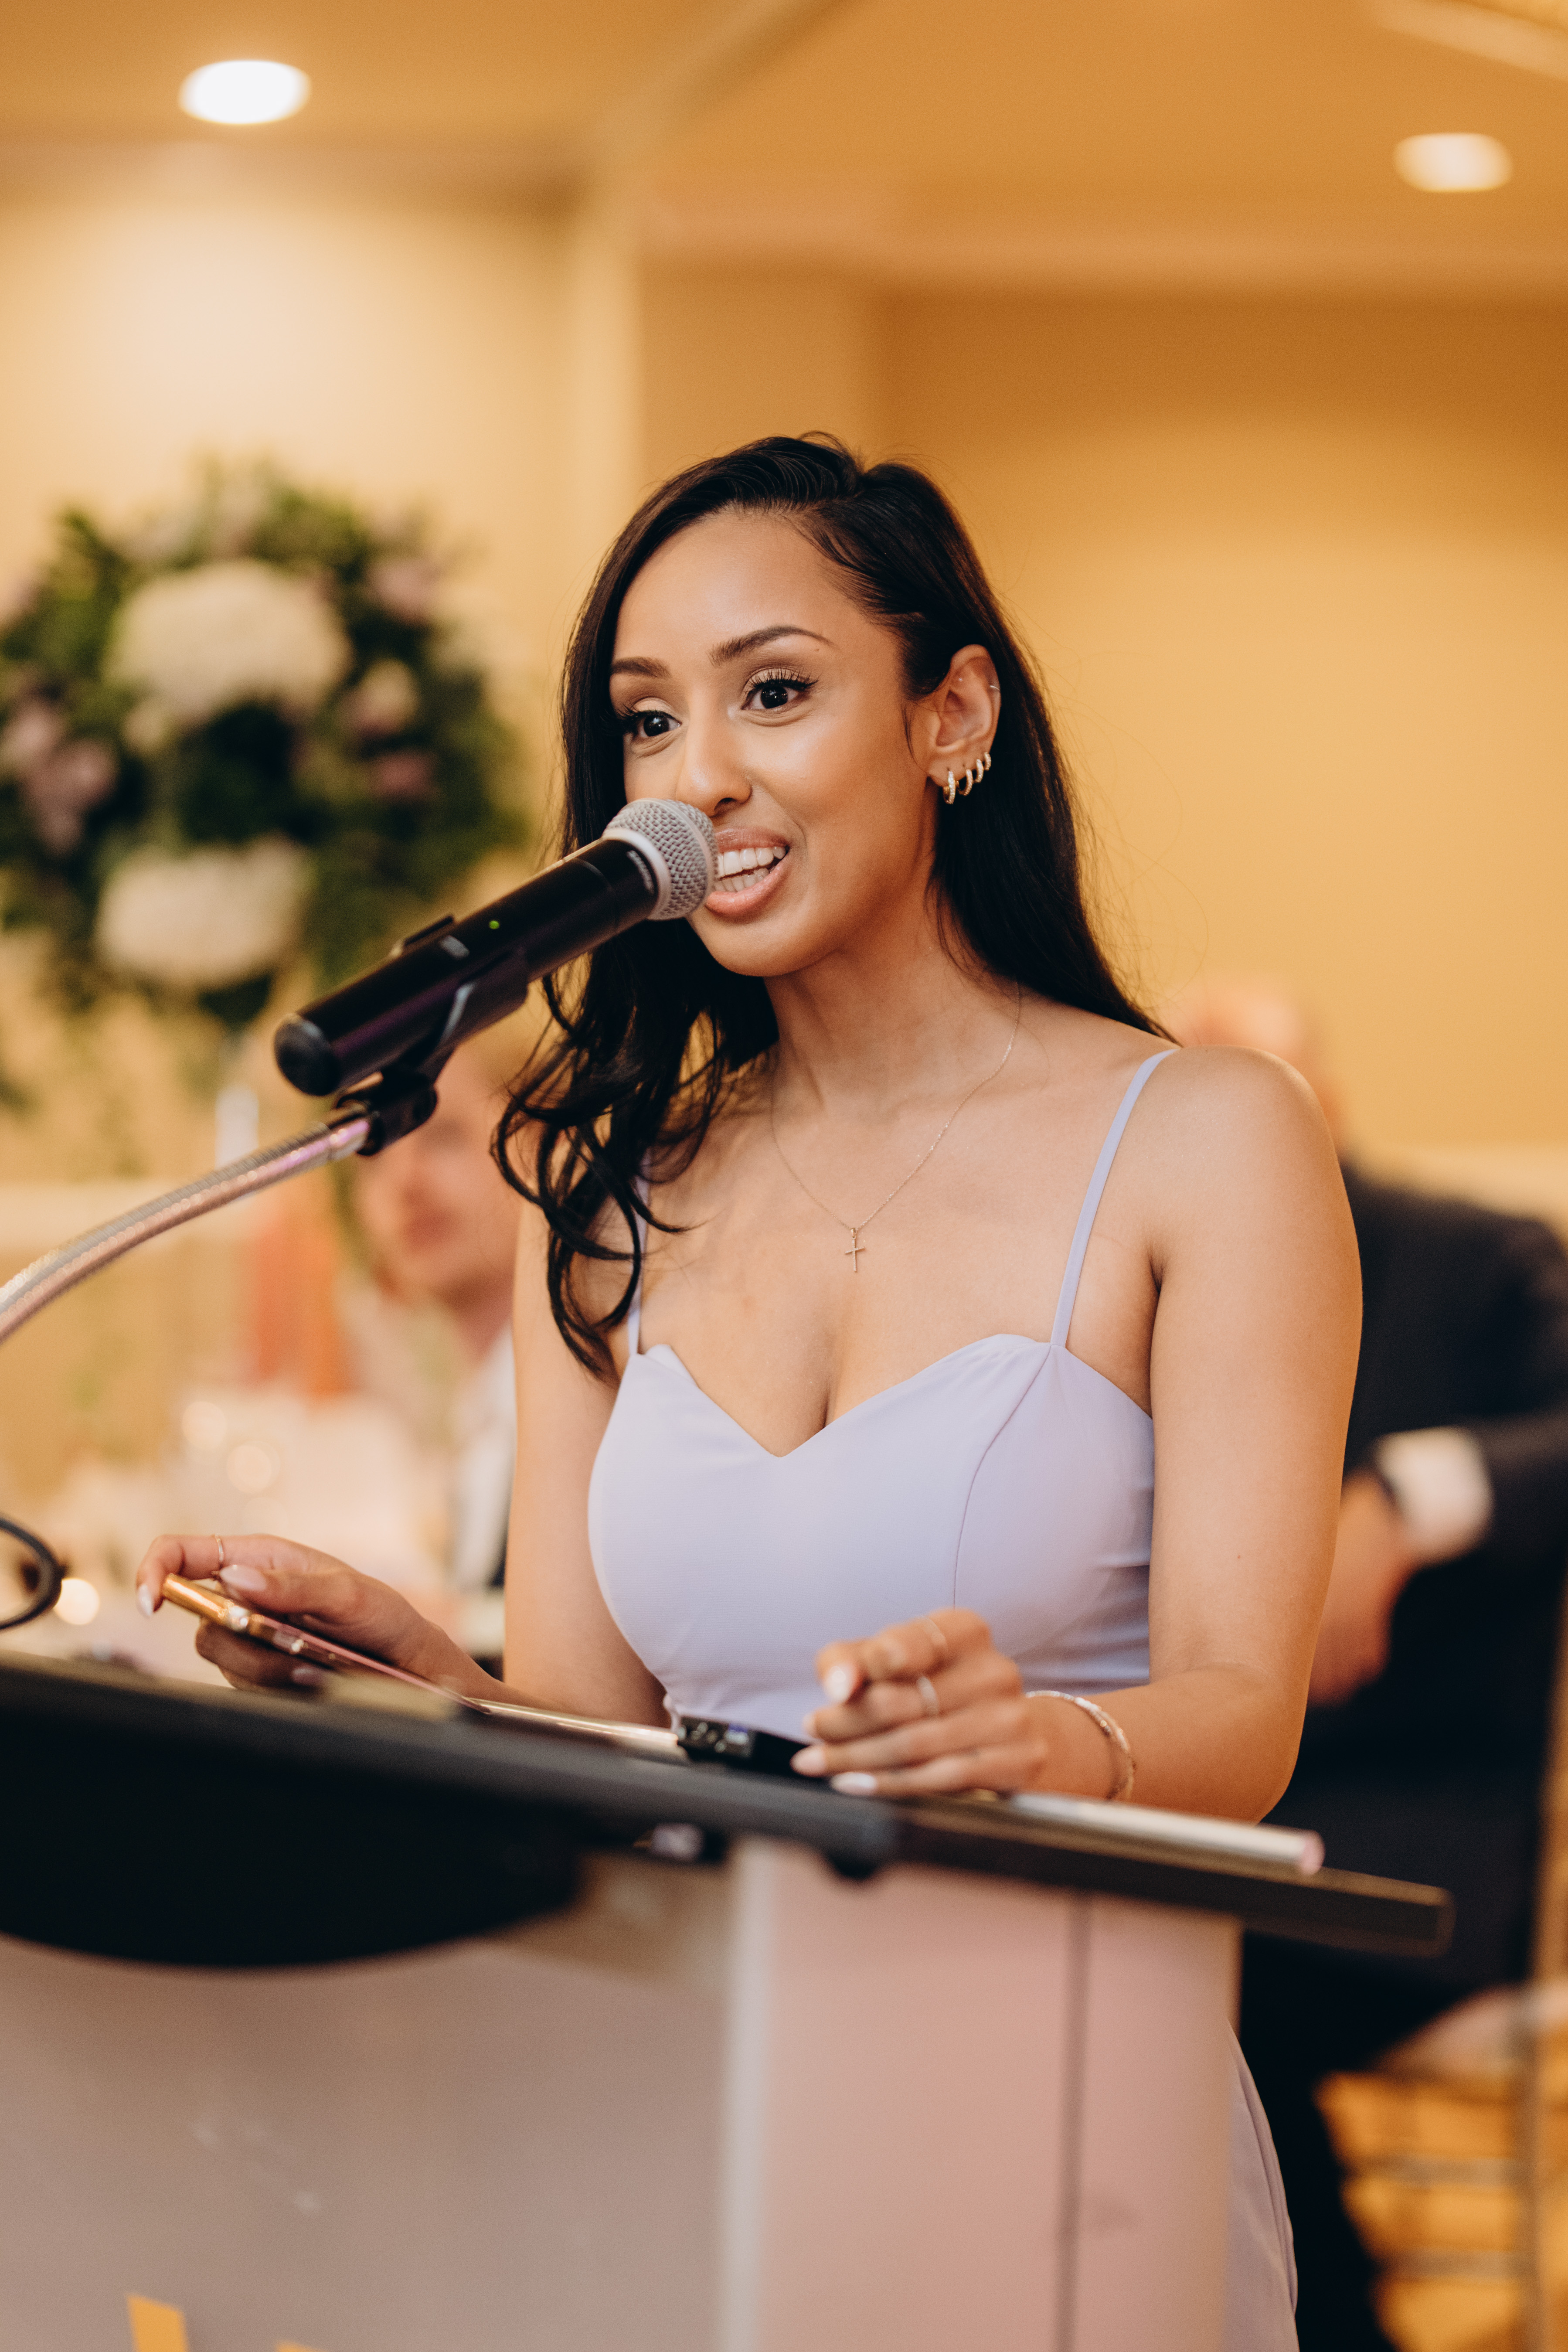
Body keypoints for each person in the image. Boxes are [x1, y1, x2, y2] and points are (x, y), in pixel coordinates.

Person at [136, 436, 1361, 2346]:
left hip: (1045, 2111)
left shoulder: (1204, 1139)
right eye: (647, 719)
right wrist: (416, 1683)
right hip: (659, 2101)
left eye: (771, 692)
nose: (694, 775)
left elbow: (1238, 1705)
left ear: (950, 715)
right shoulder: (603, 1184)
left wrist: (1040, 1742)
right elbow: (596, 1738)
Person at [1165, 977, 1568, 2352]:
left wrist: (1406, 1496)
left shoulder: (1473, 1260)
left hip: (1418, 1837)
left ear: (1321, 1106)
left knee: (1198, 1972)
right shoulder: (1144, 1276)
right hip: (1209, 1814)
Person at [350, 1039, 522, 1663]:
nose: (405, 1182)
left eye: (444, 1136)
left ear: (548, 1148)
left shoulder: (602, 1401)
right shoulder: (477, 1412)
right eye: (373, 1149)